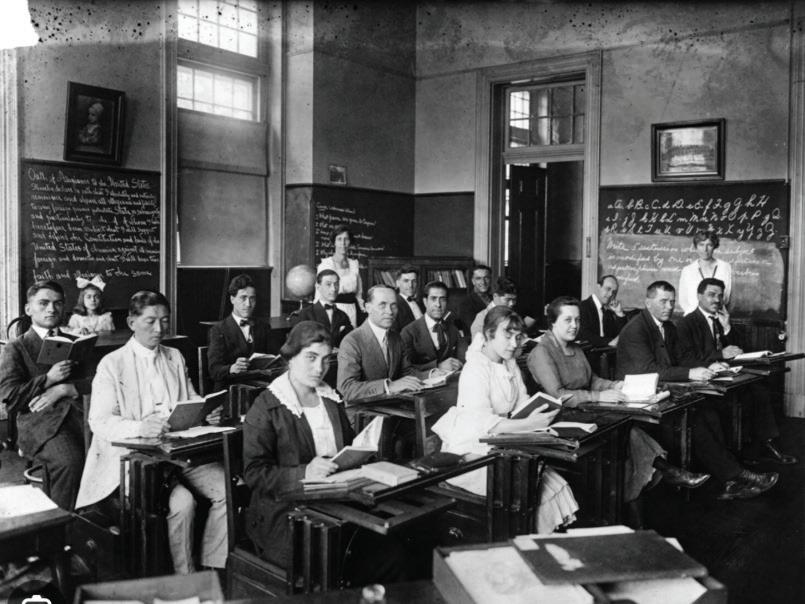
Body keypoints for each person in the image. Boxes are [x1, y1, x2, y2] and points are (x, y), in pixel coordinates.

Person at [242, 321, 414, 583]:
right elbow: (254, 473)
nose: (319, 368)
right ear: (290, 357)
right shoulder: (267, 406)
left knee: (394, 553)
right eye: (311, 358)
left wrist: (358, 455)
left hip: (336, 503)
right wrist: (304, 472)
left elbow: (344, 448)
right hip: (287, 515)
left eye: (325, 360)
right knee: (342, 563)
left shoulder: (329, 398)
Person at [75, 290, 227, 574]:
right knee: (183, 503)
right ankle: (185, 576)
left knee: (225, 488)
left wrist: (206, 413)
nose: (159, 329)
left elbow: (190, 399)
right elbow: (100, 421)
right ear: (131, 322)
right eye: (151, 321)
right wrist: (140, 427)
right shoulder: (112, 364)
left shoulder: (174, 356)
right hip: (135, 458)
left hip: (178, 451)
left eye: (165, 320)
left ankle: (213, 566)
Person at [529, 297, 709, 503]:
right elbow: (558, 395)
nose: (574, 325)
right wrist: (599, 396)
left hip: (585, 410)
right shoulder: (542, 352)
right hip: (559, 419)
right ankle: (660, 472)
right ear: (552, 322)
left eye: (577, 320)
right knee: (622, 429)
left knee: (625, 428)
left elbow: (592, 380)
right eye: (568, 320)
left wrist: (614, 385)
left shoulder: (575, 348)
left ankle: (640, 489)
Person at [616, 281, 778, 500]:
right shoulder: (636, 329)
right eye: (663, 301)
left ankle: (730, 480)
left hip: (662, 393)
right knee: (698, 420)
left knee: (709, 413)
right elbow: (649, 370)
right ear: (648, 302)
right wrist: (690, 373)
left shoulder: (668, 327)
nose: (669, 307)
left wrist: (709, 365)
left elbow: (683, 358)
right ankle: (736, 476)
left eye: (672, 301)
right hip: (637, 402)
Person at [433, 306, 577, 533]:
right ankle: (525, 542)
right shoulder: (475, 368)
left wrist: (539, 412)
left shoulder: (508, 362)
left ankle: (538, 542)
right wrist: (529, 424)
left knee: (549, 484)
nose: (513, 343)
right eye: (507, 336)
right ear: (489, 335)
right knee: (530, 490)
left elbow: (521, 402)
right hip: (471, 451)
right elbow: (483, 424)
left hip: (501, 441)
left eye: (517, 337)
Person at [676, 278, 796, 465]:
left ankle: (765, 445)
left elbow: (738, 350)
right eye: (711, 295)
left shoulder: (719, 319)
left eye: (720, 296)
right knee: (738, 400)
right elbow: (686, 358)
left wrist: (727, 328)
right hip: (704, 379)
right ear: (699, 296)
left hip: (726, 375)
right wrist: (719, 354)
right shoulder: (687, 323)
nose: (717, 300)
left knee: (759, 391)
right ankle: (740, 454)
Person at [0, 280, 85, 510]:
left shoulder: (76, 342)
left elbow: (96, 381)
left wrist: (64, 389)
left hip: (79, 415)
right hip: (39, 422)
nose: (51, 309)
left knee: (111, 453)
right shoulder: (16, 347)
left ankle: (96, 519)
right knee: (70, 462)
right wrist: (48, 379)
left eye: (58, 303)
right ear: (29, 309)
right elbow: (10, 398)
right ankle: (61, 523)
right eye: (44, 303)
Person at [337, 285, 424, 409]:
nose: (390, 311)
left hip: (394, 408)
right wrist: (388, 386)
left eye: (393, 305)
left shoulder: (396, 338)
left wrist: (433, 375)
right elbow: (347, 389)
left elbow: (407, 373)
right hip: (364, 413)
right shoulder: (352, 341)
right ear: (368, 308)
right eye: (382, 305)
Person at [207, 273, 273, 392]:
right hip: (230, 391)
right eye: (243, 298)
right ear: (232, 299)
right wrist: (231, 368)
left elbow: (273, 360)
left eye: (252, 298)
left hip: (258, 388)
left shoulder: (263, 327)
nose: (248, 304)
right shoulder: (218, 330)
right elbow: (214, 370)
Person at [401, 280, 467, 373]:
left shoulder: (453, 329)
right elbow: (406, 369)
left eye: (442, 299)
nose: (438, 304)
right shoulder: (409, 332)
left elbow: (462, 358)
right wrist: (437, 366)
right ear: (425, 302)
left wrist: (459, 364)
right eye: (433, 299)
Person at [316, 225, 364, 328]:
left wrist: (362, 310)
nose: (343, 243)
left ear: (350, 242)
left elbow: (359, 293)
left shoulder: (354, 265)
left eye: (346, 239)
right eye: (339, 239)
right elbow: (319, 293)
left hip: (352, 311)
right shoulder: (325, 265)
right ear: (334, 242)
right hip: (332, 310)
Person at [678, 230, 732, 320]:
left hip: (718, 316)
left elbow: (726, 297)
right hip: (694, 318)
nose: (705, 249)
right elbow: (683, 301)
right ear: (696, 247)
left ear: (714, 246)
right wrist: (697, 316)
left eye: (709, 245)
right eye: (701, 245)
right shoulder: (687, 270)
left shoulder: (725, 267)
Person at [292, 269, 353, 348]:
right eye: (328, 284)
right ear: (318, 287)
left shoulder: (343, 316)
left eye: (336, 284)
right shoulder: (305, 314)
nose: (334, 289)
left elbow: (350, 343)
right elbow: (299, 344)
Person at [469, 276, 536, 341]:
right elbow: (479, 345)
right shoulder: (481, 318)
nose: (512, 303)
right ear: (495, 296)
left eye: (514, 299)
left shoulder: (514, 312)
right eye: (507, 299)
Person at [579, 274, 628, 347]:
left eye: (614, 292)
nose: (610, 294)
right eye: (608, 289)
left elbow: (622, 336)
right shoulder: (582, 307)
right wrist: (608, 342)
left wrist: (619, 313)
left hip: (607, 352)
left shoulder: (608, 312)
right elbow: (584, 335)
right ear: (598, 287)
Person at [456, 265, 492, 335]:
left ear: (491, 279)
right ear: (473, 281)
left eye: (486, 278)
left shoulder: (495, 298)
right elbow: (475, 328)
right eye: (478, 278)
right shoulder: (465, 303)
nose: (483, 282)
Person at [391, 264, 423, 333]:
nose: (410, 285)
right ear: (397, 283)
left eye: (414, 281)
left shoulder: (421, 303)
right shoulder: (394, 305)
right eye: (406, 281)